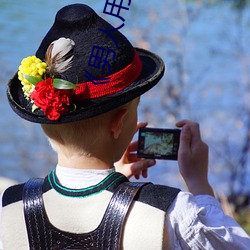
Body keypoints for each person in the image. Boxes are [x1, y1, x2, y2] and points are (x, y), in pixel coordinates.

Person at [1, 3, 249, 249]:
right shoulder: (171, 213)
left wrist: (119, 188)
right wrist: (199, 185)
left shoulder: (10, 208)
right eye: (136, 106)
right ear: (119, 123)